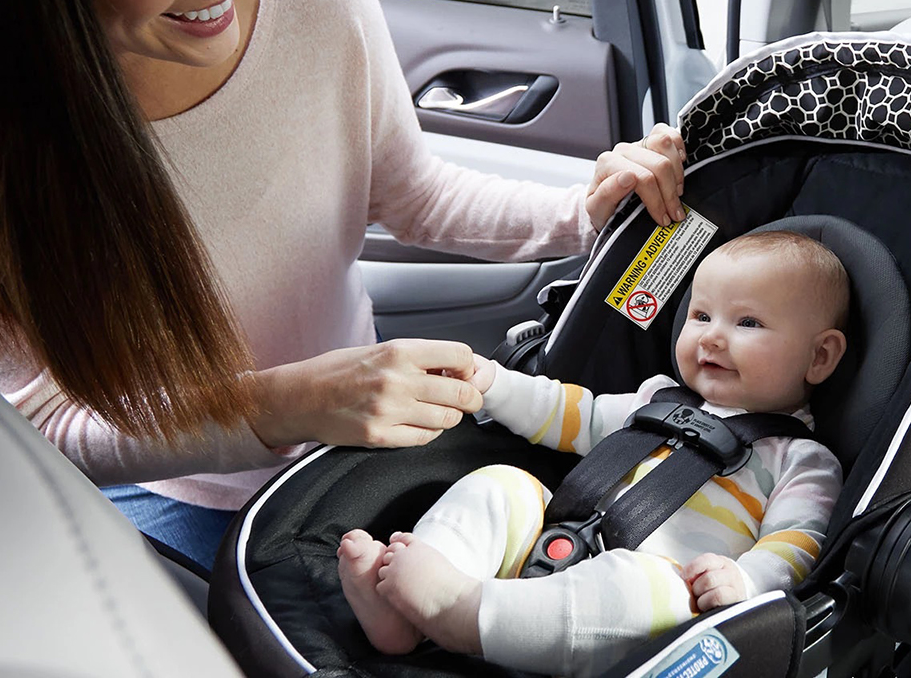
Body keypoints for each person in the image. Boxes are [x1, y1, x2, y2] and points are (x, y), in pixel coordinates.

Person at [0, 0, 687, 570]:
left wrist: (585, 211)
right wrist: (289, 401)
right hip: (153, 493)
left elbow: (410, 193)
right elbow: (38, 424)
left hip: (348, 452)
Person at [336, 231, 851, 676]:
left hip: (657, 612)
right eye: (701, 314)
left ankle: (461, 612)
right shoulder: (654, 399)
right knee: (502, 485)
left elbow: (796, 543)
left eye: (749, 323)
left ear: (820, 356)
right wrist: (493, 383)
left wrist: (746, 580)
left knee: (642, 586)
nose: (712, 336)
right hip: (556, 549)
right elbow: (567, 412)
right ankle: (405, 611)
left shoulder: (800, 458)